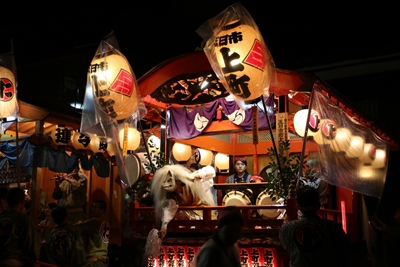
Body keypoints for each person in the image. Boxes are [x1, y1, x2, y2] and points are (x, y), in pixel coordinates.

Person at [279, 186, 356, 267]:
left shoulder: (287, 228)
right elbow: (347, 253)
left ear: (298, 206)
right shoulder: (332, 227)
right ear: (318, 205)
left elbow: (285, 246)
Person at [0, 187, 41, 266]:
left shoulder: (1, 216)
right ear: (22, 201)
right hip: (14, 260)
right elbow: (32, 244)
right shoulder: (24, 219)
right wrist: (34, 258)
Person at [75, 200, 110, 266]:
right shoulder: (105, 222)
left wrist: (79, 224)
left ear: (102, 210)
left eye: (95, 207)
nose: (92, 209)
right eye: (92, 207)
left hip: (94, 259)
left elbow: (76, 229)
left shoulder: (95, 221)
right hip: (102, 258)